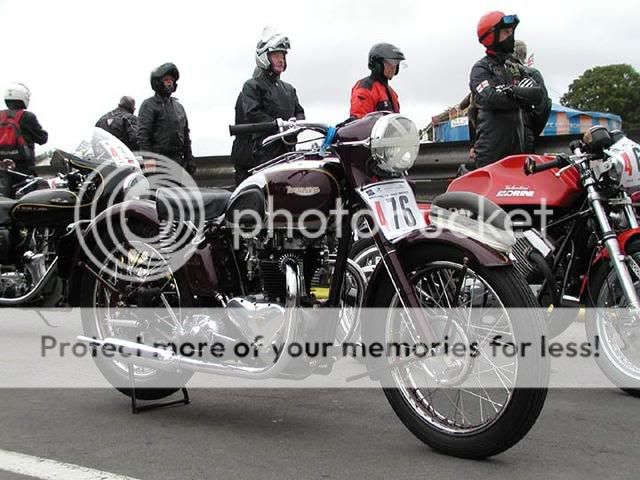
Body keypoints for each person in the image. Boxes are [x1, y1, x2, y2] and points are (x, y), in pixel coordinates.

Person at [468, 12, 545, 169]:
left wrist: (509, 91)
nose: (511, 37)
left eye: (511, 32)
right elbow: (490, 98)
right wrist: (520, 95)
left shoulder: (514, 68)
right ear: (491, 36)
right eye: (506, 32)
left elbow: (538, 95)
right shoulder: (481, 68)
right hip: (490, 153)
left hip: (519, 150)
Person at [230, 28, 305, 186]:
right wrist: (277, 125)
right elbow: (252, 113)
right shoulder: (252, 86)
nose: (281, 60)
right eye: (276, 56)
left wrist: (295, 125)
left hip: (288, 151)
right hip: (263, 154)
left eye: (283, 56)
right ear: (265, 57)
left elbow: (300, 112)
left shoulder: (289, 89)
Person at [137, 63, 196, 176]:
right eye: (166, 80)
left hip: (177, 160)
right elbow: (143, 134)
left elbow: (185, 135)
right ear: (158, 82)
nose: (170, 82)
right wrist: (148, 158)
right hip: (159, 161)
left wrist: (189, 158)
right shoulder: (149, 105)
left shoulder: (178, 107)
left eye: (172, 80)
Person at [0, 83, 48, 197]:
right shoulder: (28, 117)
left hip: (2, 166)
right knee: (31, 198)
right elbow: (42, 139)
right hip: (24, 167)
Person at [512, 40, 552, 153]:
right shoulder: (532, 74)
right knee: (524, 163)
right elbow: (544, 105)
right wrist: (531, 128)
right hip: (524, 131)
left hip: (497, 135)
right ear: (524, 54)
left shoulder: (495, 73)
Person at [350, 43, 405, 119]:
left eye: (396, 64)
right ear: (377, 64)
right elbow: (359, 120)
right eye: (390, 63)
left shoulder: (392, 93)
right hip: (371, 127)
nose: (393, 67)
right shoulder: (365, 88)